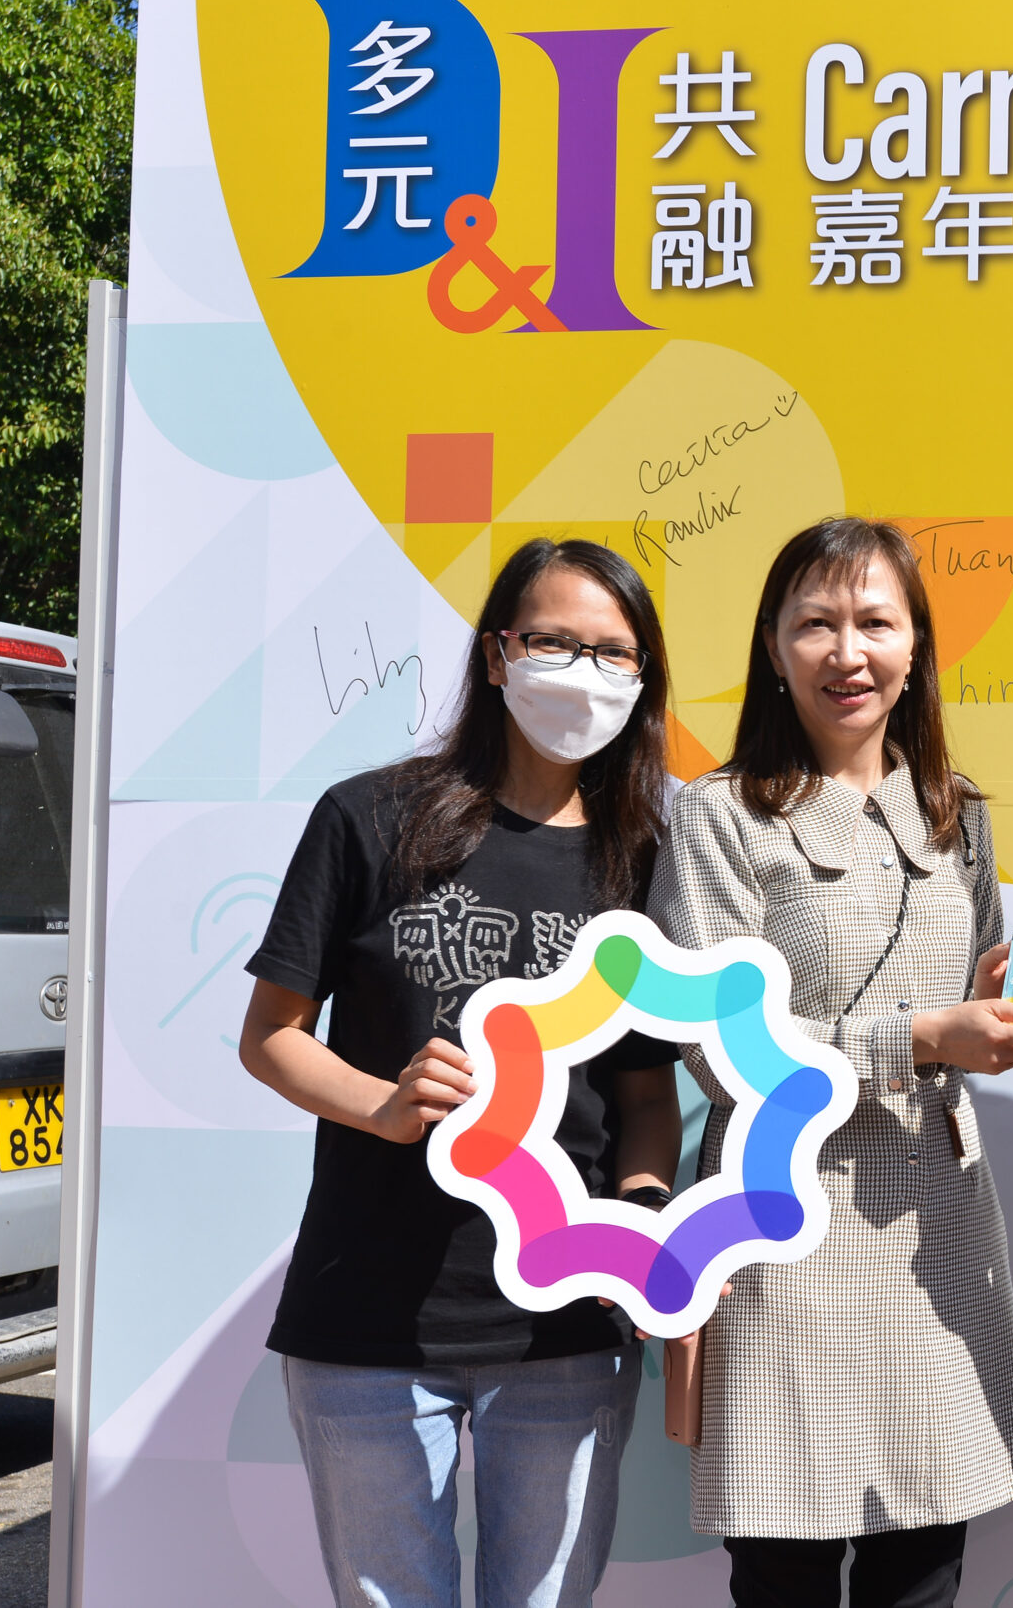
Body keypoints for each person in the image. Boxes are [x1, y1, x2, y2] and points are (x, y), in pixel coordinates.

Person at [239, 537, 684, 1608]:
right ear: (496, 656)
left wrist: (645, 1217)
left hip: (567, 1325)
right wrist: (381, 1106)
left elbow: (643, 1093)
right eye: (552, 642)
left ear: (642, 682)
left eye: (614, 653)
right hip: (371, 1320)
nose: (582, 671)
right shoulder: (369, 818)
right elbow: (272, 1036)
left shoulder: (647, 859)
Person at [649, 517, 1013, 1608]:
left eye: (876, 621)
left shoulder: (954, 816)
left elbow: (979, 988)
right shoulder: (719, 817)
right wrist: (923, 1039)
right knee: (784, 1562)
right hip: (785, 1222)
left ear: (917, 645)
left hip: (938, 1225)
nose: (848, 651)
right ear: (773, 650)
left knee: (924, 1563)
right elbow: (713, 1045)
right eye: (815, 624)